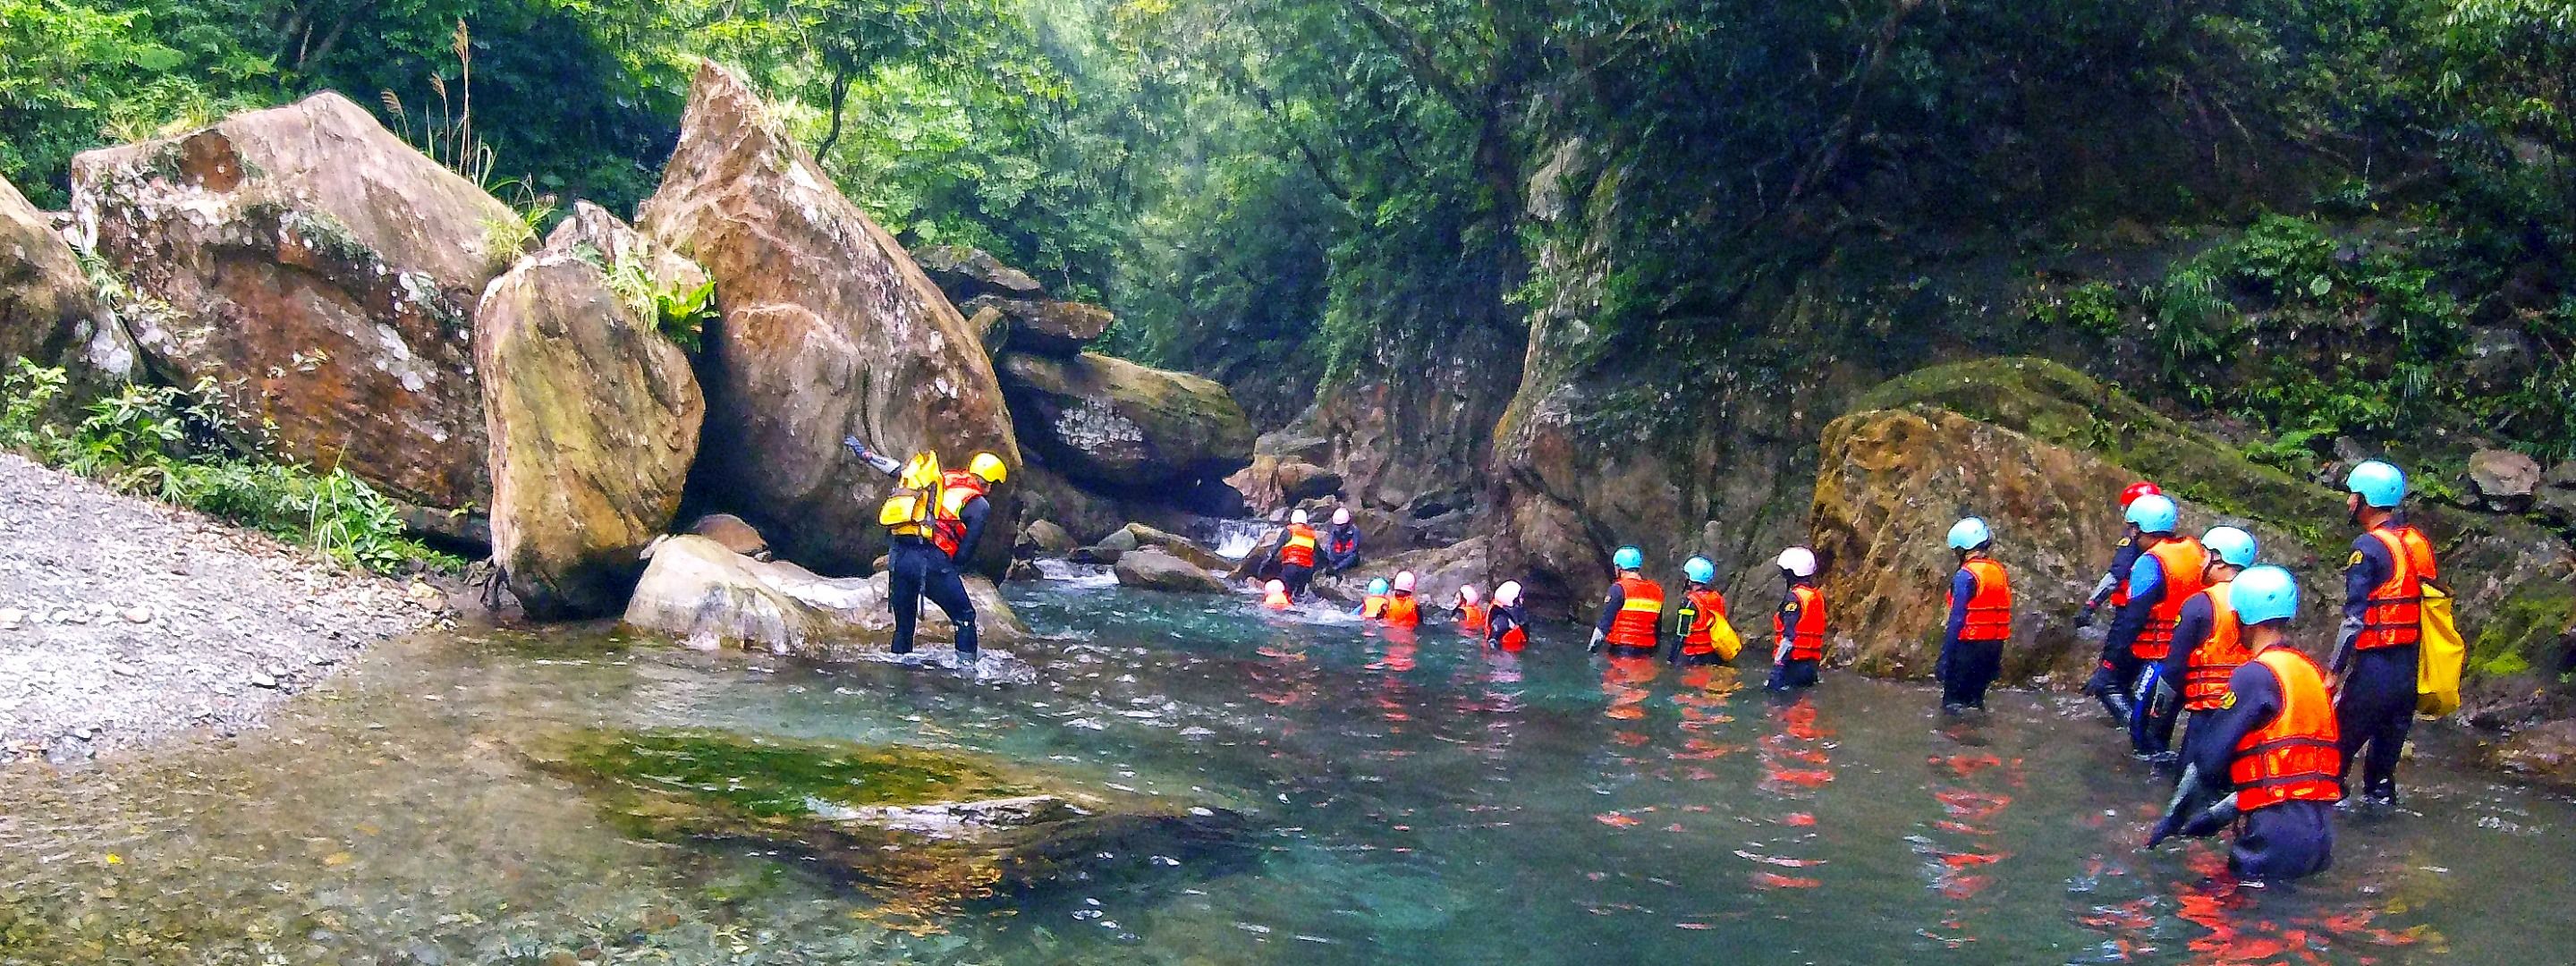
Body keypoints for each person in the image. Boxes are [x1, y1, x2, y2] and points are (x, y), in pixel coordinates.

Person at [2149, 564, 2339, 886]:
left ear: (2242, 618)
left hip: (2273, 835)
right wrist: (2216, 818)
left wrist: (2170, 824)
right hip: (2319, 835)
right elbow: (2287, 771)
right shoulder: (2308, 671)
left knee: (2222, 920)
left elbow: (2209, 762)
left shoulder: (2254, 675)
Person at [2331, 460, 2437, 808]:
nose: (2349, 502)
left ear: (2367, 500)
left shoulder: (2369, 547)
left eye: (2352, 495)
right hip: (2408, 674)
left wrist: (2334, 672)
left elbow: (2353, 618)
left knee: (2333, 759)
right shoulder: (2415, 542)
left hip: (2375, 672)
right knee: (2381, 780)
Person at [844, 437, 1004, 665]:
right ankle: (967, 676)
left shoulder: (936, 480)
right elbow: (965, 553)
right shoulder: (979, 505)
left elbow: (898, 469)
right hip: (930, 562)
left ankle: (898, 678)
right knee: (965, 617)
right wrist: (950, 569)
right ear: (990, 483)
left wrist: (865, 454)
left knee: (904, 624)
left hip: (898, 557)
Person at [2093, 494, 2207, 760]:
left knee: (2141, 735)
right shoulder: (2194, 549)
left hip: (2161, 658)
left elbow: (2131, 619)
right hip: (2190, 656)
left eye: (2132, 528)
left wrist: (2109, 665)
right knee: (2160, 732)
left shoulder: (2150, 562)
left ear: (2139, 529)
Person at [2159, 526, 2258, 768]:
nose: (2201, 561)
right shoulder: (2259, 601)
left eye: (2205, 555)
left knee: (2189, 782)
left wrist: (2159, 715)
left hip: (2208, 711)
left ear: (2220, 561)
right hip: (2245, 712)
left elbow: (2174, 668)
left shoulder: (2200, 604)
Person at [1937, 517, 2012, 712]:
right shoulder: (1998, 571)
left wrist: (1945, 659)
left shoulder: (1965, 576)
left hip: (1967, 649)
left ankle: (1954, 739)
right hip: (1992, 649)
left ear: (1961, 548)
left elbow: (1957, 620)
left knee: (1953, 705)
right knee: (1975, 703)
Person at [2077, 481, 2163, 628]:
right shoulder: (2165, 540)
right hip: (2155, 612)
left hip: (2130, 609)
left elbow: (2116, 574)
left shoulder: (2135, 539)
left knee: (2115, 649)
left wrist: (2090, 605)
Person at [1589, 546, 1665, 659]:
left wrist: (1591, 652)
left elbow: (1604, 626)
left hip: (1622, 650)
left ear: (1619, 567)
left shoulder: (1618, 589)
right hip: (1647, 652)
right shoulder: (1657, 590)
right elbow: (1657, 629)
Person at [1769, 547, 1826, 691]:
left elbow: (1789, 637)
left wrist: (1778, 666)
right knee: (1803, 707)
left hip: (1793, 664)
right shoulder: (1815, 596)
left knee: (1780, 707)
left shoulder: (1794, 598)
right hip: (1811, 665)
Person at [1667, 555, 1734, 666]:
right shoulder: (1717, 597)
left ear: (1690, 578)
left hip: (1694, 657)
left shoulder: (1690, 602)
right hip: (1714, 655)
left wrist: (1671, 660)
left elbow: (1681, 635)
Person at [1271, 509, 1321, 599]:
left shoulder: (1289, 530)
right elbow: (1319, 553)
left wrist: (1266, 561)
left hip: (1291, 567)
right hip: (1306, 570)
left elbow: (1276, 548)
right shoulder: (1311, 534)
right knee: (1299, 596)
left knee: (1286, 592)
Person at [1487, 580, 1530, 652]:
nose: (1522, 600)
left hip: (1515, 650)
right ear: (1512, 599)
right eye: (1520, 597)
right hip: (1507, 654)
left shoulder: (1512, 616)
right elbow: (1492, 642)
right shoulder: (1502, 620)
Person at [1325, 507, 1363, 574]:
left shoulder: (1354, 531)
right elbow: (1330, 545)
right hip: (1338, 555)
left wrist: (1338, 567)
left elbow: (1352, 551)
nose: (1338, 528)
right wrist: (1331, 559)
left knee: (1354, 556)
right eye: (1337, 525)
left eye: (1341, 525)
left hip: (1348, 557)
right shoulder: (1335, 530)